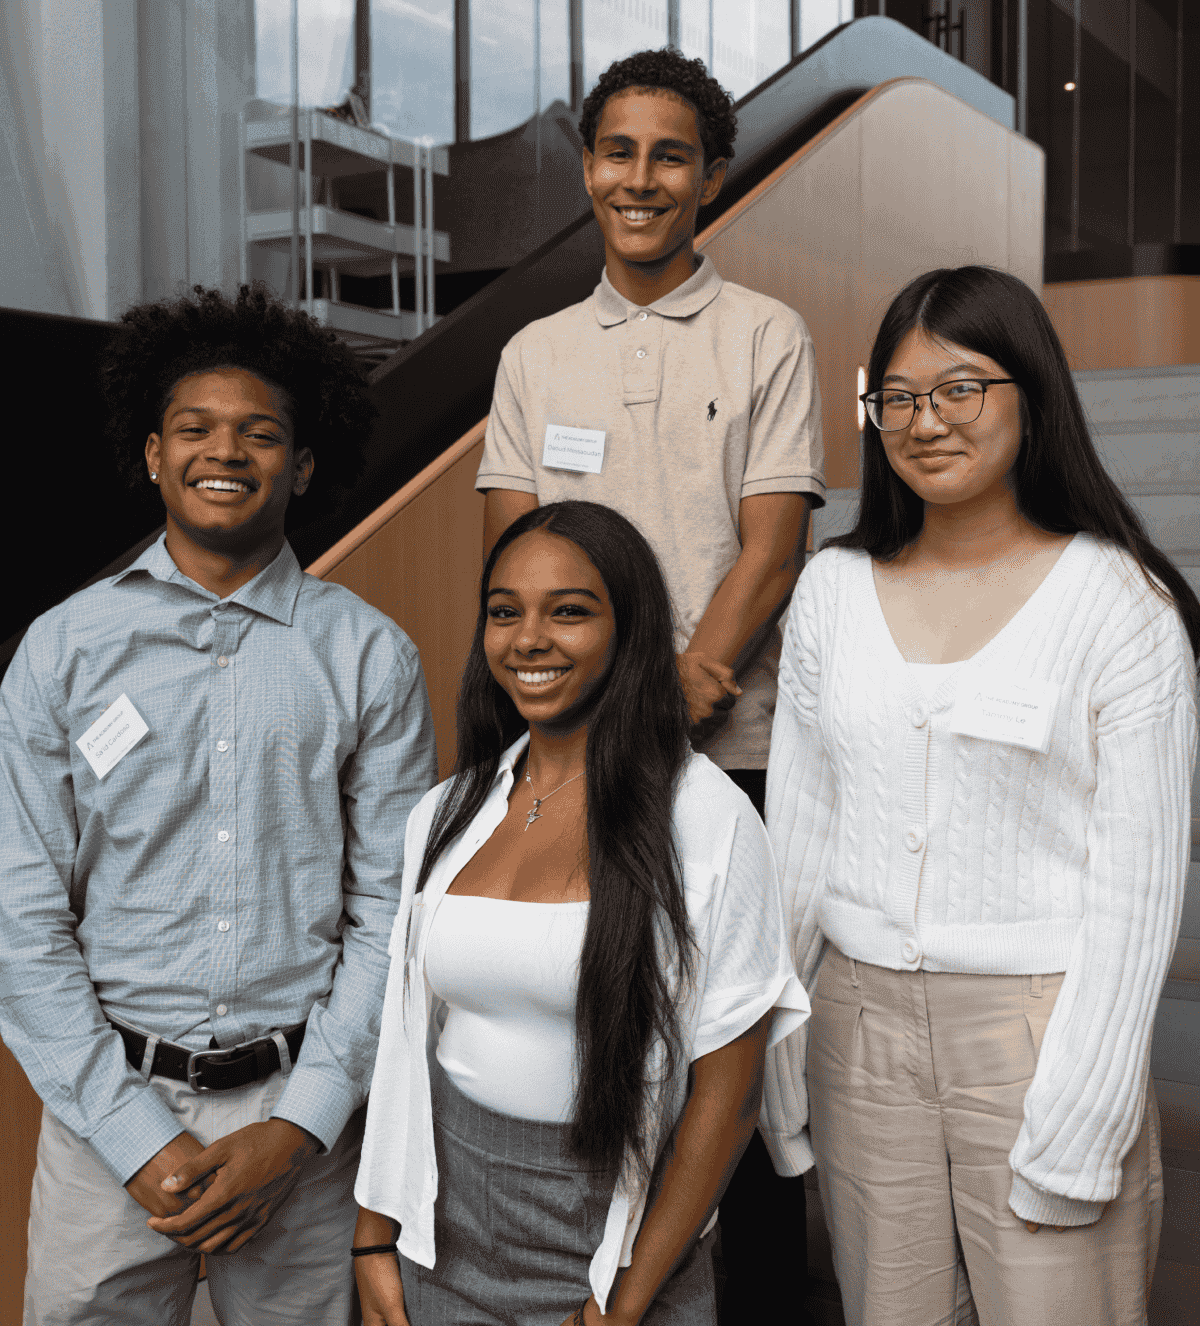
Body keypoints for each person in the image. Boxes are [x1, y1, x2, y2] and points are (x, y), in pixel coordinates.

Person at [0, 284, 437, 1325]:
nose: (224, 450)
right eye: (194, 428)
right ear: (153, 454)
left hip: (302, 1124)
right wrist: (134, 1136)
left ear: (302, 465)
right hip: (106, 1115)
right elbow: (22, 924)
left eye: (259, 433)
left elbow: (393, 916)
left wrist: (303, 1125)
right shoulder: (62, 650)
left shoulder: (370, 656)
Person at [764, 265, 1199, 1326]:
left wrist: (1085, 1107)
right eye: (898, 397)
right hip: (858, 1028)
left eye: (960, 388)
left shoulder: (1118, 601)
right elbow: (798, 838)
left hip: (1037, 1033)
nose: (926, 422)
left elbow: (1136, 888)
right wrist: (778, 1043)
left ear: (1030, 395)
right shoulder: (830, 590)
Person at [476, 48, 824, 1317]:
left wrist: (670, 701)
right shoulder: (533, 354)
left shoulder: (766, 334)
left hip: (729, 757)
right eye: (617, 151)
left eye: (669, 155)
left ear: (710, 177)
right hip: (574, 759)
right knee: (597, 1045)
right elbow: (514, 553)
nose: (640, 178)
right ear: (586, 168)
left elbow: (769, 548)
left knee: (738, 1056)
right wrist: (594, 721)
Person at [350, 501, 810, 1326]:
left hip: (614, 1245)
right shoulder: (447, 811)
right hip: (443, 1236)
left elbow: (730, 1096)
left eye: (569, 611)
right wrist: (373, 1234)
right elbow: (404, 1039)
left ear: (630, 631)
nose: (529, 639)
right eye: (505, 612)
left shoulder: (706, 818)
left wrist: (620, 1305)